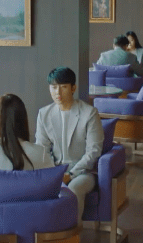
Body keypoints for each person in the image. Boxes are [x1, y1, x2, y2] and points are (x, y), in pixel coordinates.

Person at [36, 67, 104, 222]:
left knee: (74, 189)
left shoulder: (89, 113)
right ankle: (46, 231)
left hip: (83, 172)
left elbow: (93, 151)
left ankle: (73, 232)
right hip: (54, 170)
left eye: (63, 87)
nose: (58, 92)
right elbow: (42, 150)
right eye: (54, 87)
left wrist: (71, 174)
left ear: (73, 88)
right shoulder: (44, 114)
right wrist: (53, 173)